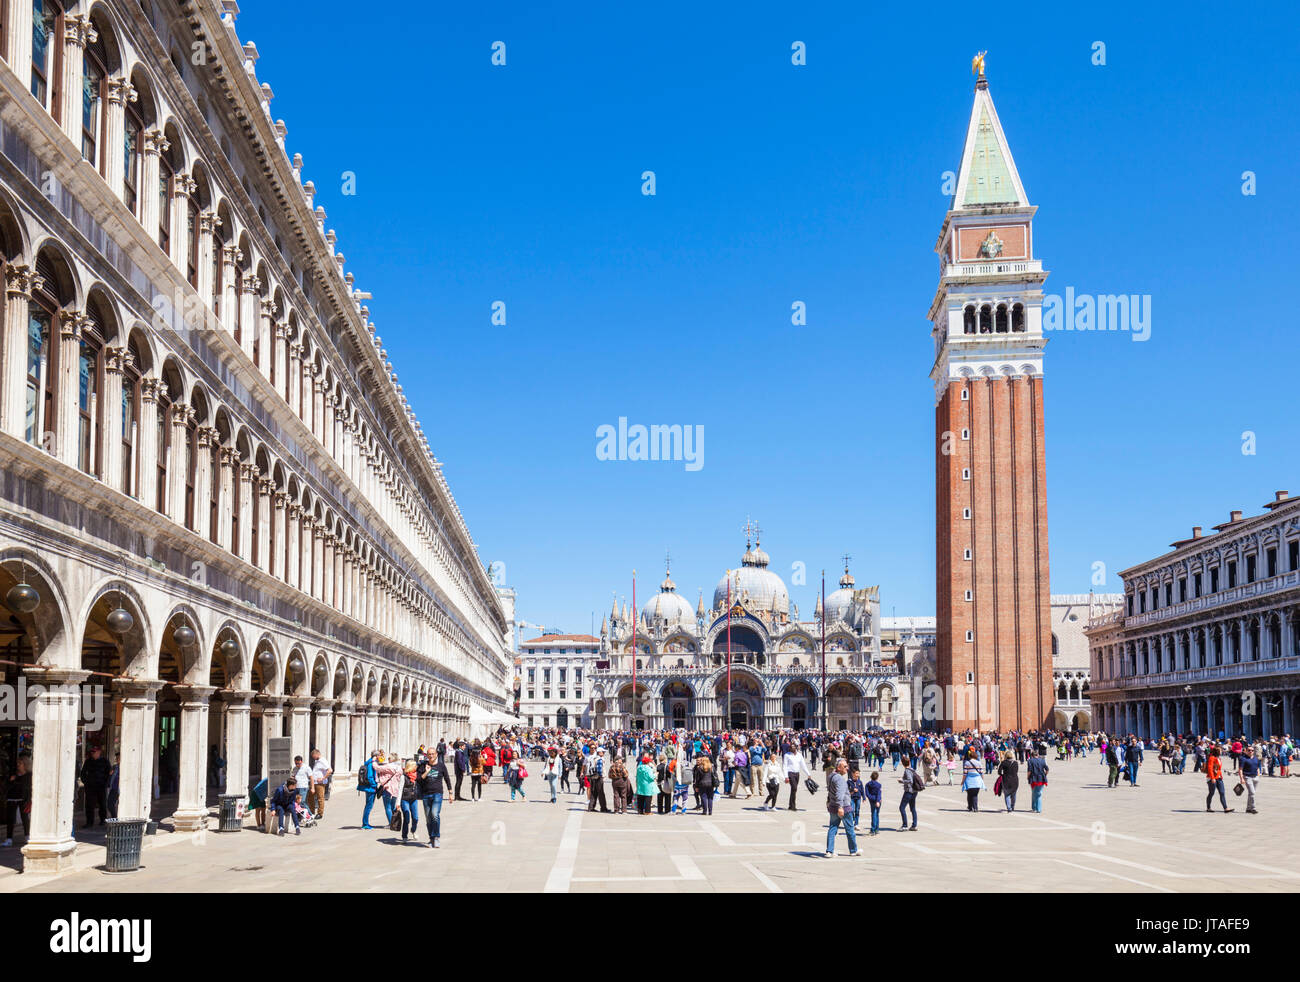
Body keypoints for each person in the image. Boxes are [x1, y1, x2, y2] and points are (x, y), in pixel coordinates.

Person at [824, 759, 860, 857]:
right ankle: (853, 850)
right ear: (838, 768)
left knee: (832, 828)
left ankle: (829, 851)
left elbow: (830, 790)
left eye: (847, 766)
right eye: (845, 767)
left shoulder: (831, 776)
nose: (847, 768)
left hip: (833, 806)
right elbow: (839, 794)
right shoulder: (839, 779)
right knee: (850, 829)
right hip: (843, 807)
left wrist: (829, 801)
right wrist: (840, 807)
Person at [416, 751, 452, 847]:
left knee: (434, 814)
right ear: (427, 756)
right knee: (428, 818)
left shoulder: (441, 766)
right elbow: (418, 779)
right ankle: (431, 838)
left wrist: (450, 792)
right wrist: (427, 772)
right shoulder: (423, 766)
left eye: (433, 754)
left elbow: (447, 778)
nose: (431, 756)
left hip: (437, 794)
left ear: (436, 755)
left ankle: (436, 837)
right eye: (429, 754)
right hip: (426, 795)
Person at [3, 753, 33, 847]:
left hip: (23, 798)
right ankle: (9, 839)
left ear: (25, 764)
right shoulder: (14, 774)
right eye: (18, 763)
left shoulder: (29, 775)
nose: (18, 765)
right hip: (12, 798)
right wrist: (11, 781)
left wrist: (29, 800)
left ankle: (27, 836)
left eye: (20, 763)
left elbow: (29, 787)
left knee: (25, 818)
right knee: (10, 818)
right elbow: (7, 786)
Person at [80, 745, 111, 828]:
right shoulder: (88, 761)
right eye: (92, 752)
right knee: (89, 805)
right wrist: (86, 782)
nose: (93, 753)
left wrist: (106, 783)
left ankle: (103, 820)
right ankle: (89, 822)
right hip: (90, 787)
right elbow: (83, 773)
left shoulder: (104, 761)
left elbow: (109, 773)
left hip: (101, 786)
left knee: (102, 804)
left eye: (94, 752)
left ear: (99, 752)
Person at [783, 744, 812, 811]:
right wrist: (786, 777)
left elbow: (803, 765)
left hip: (797, 773)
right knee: (794, 788)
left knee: (794, 790)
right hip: (790, 773)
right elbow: (784, 766)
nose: (791, 748)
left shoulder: (799, 755)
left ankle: (790, 805)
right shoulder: (787, 755)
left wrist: (808, 774)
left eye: (793, 747)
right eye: (790, 747)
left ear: (796, 748)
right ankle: (793, 806)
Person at [1204, 746, 1233, 813]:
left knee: (1222, 792)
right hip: (1212, 778)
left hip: (1219, 778)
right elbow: (1210, 768)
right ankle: (1208, 807)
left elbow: (1218, 769)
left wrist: (1221, 776)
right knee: (1211, 793)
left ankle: (1226, 808)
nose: (1221, 751)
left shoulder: (1219, 758)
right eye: (1220, 750)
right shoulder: (1212, 758)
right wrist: (1212, 778)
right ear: (1217, 751)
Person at [358, 750, 381, 829]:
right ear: (376, 756)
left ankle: (366, 823)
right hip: (370, 788)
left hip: (369, 787)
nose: (380, 757)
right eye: (379, 756)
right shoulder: (371, 764)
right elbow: (370, 776)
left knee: (368, 805)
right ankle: (365, 824)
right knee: (369, 806)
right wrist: (374, 785)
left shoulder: (369, 763)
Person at [398, 761, 420, 841]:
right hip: (405, 800)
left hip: (414, 799)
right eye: (415, 766)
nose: (416, 767)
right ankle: (404, 836)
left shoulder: (416, 776)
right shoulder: (403, 777)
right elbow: (400, 789)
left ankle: (413, 830)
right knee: (406, 818)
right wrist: (398, 803)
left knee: (415, 818)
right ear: (411, 767)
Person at [309, 748, 332, 819]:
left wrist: (323, 778)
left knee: (320, 798)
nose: (313, 757)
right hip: (314, 782)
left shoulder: (322, 761)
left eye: (313, 756)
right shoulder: (317, 761)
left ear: (317, 754)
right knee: (310, 797)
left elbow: (330, 770)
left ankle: (320, 813)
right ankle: (311, 812)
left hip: (320, 783)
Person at [898, 755, 920, 830]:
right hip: (915, 791)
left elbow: (910, 781)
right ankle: (914, 825)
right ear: (909, 762)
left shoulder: (907, 771)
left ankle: (905, 825)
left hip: (909, 791)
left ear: (903, 763)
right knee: (913, 808)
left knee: (902, 808)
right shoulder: (912, 769)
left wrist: (902, 781)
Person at [587, 747, 610, 813]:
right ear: (599, 752)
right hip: (598, 778)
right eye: (603, 752)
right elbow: (599, 769)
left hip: (593, 777)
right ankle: (603, 808)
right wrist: (601, 776)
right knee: (601, 793)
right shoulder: (599, 759)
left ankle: (591, 807)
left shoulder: (594, 758)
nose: (604, 753)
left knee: (594, 793)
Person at [1239, 745, 1260, 814]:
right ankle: (1253, 808)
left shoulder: (1256, 758)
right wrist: (1241, 778)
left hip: (1255, 777)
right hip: (1247, 777)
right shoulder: (1243, 758)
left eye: (1252, 750)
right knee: (1252, 793)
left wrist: (1258, 775)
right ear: (1246, 751)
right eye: (1249, 750)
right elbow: (1240, 769)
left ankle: (1248, 808)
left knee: (1251, 794)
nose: (1250, 751)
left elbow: (1257, 767)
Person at [865, 770, 882, 835]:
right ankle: (876, 829)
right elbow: (879, 793)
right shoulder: (879, 785)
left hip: (872, 800)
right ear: (877, 778)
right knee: (876, 814)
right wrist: (877, 801)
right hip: (878, 800)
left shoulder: (867, 784)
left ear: (870, 777)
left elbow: (867, 793)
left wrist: (871, 798)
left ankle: (873, 829)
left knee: (873, 814)